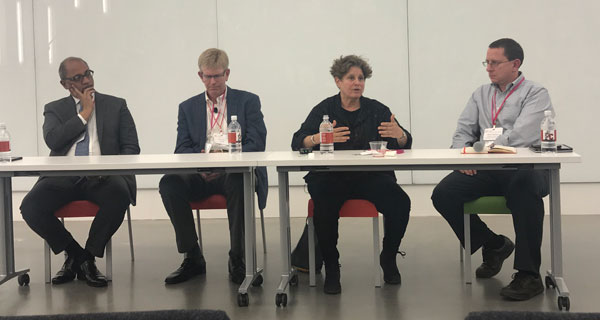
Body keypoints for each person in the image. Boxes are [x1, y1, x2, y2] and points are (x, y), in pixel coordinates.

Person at [431, 38, 553, 301]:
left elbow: (521, 137)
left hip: (526, 167)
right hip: (487, 166)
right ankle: (494, 244)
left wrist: (481, 147)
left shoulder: (535, 93)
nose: (488, 67)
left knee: (524, 185)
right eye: (486, 62)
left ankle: (529, 275)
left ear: (515, 64)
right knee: (444, 193)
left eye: (495, 62)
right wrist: (464, 157)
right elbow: (463, 131)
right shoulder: (480, 94)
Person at [291, 55, 412, 294]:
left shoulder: (377, 109)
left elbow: (404, 142)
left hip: (371, 176)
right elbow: (297, 142)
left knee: (400, 202)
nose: (357, 83)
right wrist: (319, 138)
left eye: (361, 78)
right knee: (324, 208)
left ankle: (388, 257)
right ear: (337, 81)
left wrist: (400, 135)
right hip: (329, 176)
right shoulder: (324, 109)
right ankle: (332, 267)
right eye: (350, 78)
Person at [20, 57, 140, 288]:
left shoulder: (116, 105)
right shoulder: (54, 109)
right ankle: (75, 253)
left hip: (103, 176)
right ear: (65, 84)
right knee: (30, 206)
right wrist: (84, 114)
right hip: (63, 175)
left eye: (88, 73)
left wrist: (112, 167)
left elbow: (131, 147)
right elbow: (53, 140)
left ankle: (88, 256)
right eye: (78, 78)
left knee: (119, 194)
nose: (86, 80)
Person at [159, 48, 267, 285]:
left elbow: (257, 143)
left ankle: (237, 259)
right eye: (207, 76)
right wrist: (201, 162)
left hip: (234, 173)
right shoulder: (187, 107)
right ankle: (193, 256)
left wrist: (225, 161)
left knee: (240, 180)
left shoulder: (248, 101)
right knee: (169, 182)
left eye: (217, 76)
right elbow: (181, 149)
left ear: (227, 74)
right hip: (200, 174)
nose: (213, 81)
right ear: (200, 76)